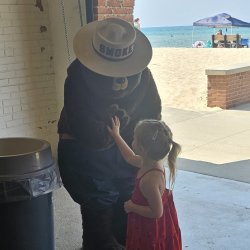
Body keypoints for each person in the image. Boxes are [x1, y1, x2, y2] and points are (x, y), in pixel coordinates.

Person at [57, 17, 162, 250]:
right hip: (88, 152)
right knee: (98, 202)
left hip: (126, 150)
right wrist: (109, 127)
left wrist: (148, 150)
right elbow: (86, 129)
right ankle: (100, 242)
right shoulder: (78, 78)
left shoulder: (143, 76)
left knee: (126, 198)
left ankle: (124, 239)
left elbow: (152, 114)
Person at [107, 117, 182, 250]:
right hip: (147, 223)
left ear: (142, 148)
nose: (132, 139)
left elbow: (156, 212)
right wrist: (116, 135)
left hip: (149, 229)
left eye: (135, 137)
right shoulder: (151, 161)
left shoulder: (149, 180)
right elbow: (130, 157)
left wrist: (132, 206)